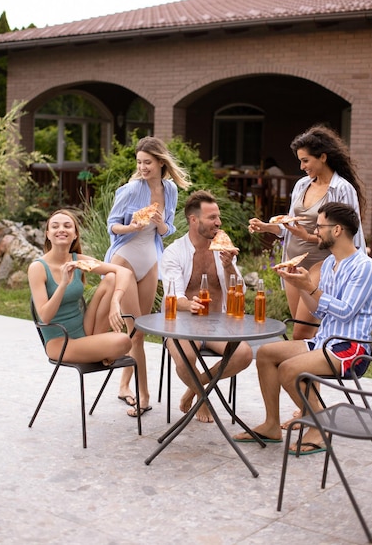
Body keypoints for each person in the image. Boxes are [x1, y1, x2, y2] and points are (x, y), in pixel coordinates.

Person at [234, 202, 372, 453]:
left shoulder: (364, 266)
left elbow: (346, 310)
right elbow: (319, 311)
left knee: (289, 369)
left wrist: (310, 287)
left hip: (351, 349)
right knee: (266, 353)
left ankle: (320, 425)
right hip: (325, 341)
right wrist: (299, 284)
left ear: (338, 230)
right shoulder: (331, 264)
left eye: (319, 226)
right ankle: (272, 425)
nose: (315, 231)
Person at [250, 125, 366, 341]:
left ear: (323, 157)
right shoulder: (303, 185)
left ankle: (309, 370)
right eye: (300, 161)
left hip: (321, 265)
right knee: (303, 332)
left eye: (306, 160)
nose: (302, 166)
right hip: (294, 264)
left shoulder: (342, 189)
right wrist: (267, 227)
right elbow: (290, 227)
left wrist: (307, 237)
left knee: (301, 332)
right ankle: (309, 373)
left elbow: (347, 234)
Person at [104, 136, 191, 416]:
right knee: (136, 333)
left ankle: (123, 386)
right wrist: (132, 227)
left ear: (161, 162)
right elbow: (112, 226)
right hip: (126, 259)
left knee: (139, 329)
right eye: (139, 162)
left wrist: (161, 224)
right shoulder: (131, 190)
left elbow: (168, 231)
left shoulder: (171, 190)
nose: (143, 167)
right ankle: (144, 395)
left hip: (152, 260)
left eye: (148, 162)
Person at [161, 190, 253, 423]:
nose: (218, 222)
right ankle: (205, 400)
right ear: (194, 220)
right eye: (212, 217)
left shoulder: (223, 249)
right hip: (182, 324)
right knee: (185, 357)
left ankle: (195, 391)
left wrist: (230, 266)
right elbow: (173, 295)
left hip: (217, 324)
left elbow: (239, 293)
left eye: (218, 217)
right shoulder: (174, 252)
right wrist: (188, 304)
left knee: (244, 354)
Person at [28, 209, 139, 367]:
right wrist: (64, 283)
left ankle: (100, 345)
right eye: (55, 226)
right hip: (60, 342)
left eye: (67, 226)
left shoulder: (78, 260)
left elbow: (124, 272)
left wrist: (116, 301)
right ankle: (104, 351)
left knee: (111, 278)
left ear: (75, 235)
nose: (61, 229)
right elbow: (45, 317)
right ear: (47, 234)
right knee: (123, 341)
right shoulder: (38, 268)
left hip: (84, 331)